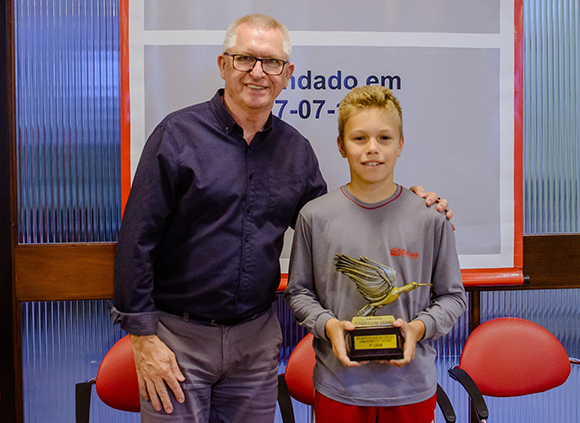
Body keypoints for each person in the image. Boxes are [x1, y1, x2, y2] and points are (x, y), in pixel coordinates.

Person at [111, 14, 452, 423]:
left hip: (255, 344)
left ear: (287, 74)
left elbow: (336, 224)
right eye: (245, 59)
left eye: (271, 62)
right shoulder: (176, 136)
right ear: (223, 65)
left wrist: (408, 203)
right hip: (177, 339)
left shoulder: (296, 152)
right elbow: (136, 241)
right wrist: (143, 339)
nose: (258, 72)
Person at [284, 85, 466, 423]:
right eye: (359, 138)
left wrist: (418, 329)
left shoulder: (430, 218)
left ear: (400, 144)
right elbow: (299, 293)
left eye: (384, 138)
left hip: (412, 388)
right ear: (341, 145)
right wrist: (329, 326)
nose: (372, 149)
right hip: (339, 387)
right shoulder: (314, 217)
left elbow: (453, 298)